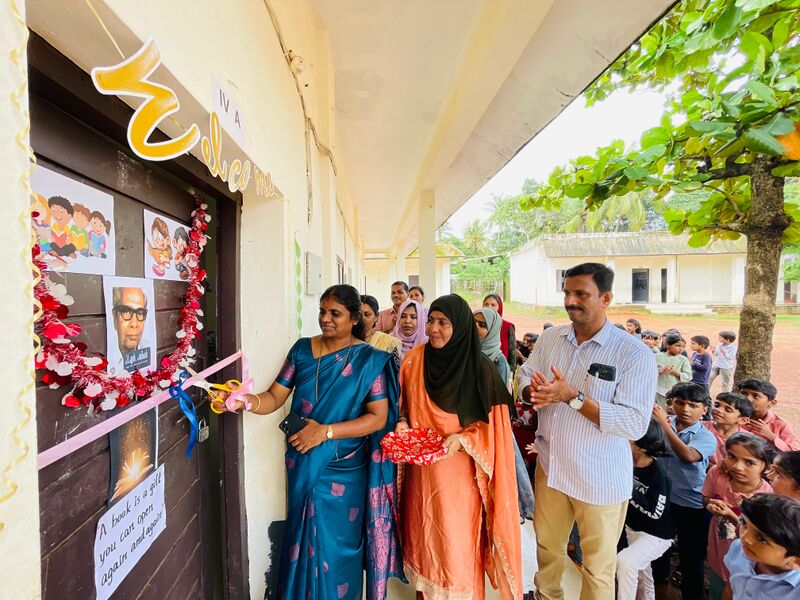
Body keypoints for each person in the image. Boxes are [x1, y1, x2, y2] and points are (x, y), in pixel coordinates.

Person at [224, 285, 402, 599]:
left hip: (345, 469)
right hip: (303, 461)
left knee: (339, 545)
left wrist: (326, 431)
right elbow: (274, 397)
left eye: (335, 313)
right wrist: (245, 401)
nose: (325, 319)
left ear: (353, 318)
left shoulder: (367, 360)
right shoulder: (302, 350)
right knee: (301, 537)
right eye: (322, 311)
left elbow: (377, 417)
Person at [517, 262, 657, 600]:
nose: (570, 301)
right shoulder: (551, 338)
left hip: (601, 478)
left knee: (597, 568)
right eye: (567, 293)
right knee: (548, 550)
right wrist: (530, 392)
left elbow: (635, 423)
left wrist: (573, 397)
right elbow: (525, 374)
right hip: (551, 468)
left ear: (606, 297)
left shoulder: (633, 353)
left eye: (581, 294)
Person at [397, 294, 521, 599]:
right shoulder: (414, 360)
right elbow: (404, 406)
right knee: (423, 541)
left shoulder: (481, 371)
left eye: (443, 323)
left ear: (461, 327)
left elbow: (495, 431)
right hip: (420, 477)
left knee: (456, 547)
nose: (433, 329)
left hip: (460, 479)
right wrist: (401, 421)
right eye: (432, 321)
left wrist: (463, 440)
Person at [653, 382, 716, 600]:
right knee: (659, 546)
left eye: (693, 405)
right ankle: (658, 587)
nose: (686, 409)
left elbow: (688, 455)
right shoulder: (664, 422)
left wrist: (663, 424)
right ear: (672, 404)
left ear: (704, 410)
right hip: (664, 499)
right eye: (680, 403)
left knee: (692, 558)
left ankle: (692, 595)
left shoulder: (706, 436)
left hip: (693, 505)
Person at [475, 307, 535, 521]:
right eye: (474, 323)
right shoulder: (466, 352)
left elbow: (495, 400)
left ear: (492, 331)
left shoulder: (498, 360)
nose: (476, 329)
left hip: (489, 421)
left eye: (482, 326)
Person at [703, 433, 775, 599]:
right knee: (717, 587)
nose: (737, 466)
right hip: (718, 553)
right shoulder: (717, 474)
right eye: (731, 457)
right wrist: (709, 504)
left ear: (766, 467)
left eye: (749, 462)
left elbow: (760, 537)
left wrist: (730, 515)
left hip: (747, 562)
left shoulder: (765, 495)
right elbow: (705, 498)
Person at [616, 419, 674, 600]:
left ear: (641, 446)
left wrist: (629, 488)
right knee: (642, 573)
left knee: (625, 562)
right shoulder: (625, 463)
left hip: (656, 536)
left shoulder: (658, 475)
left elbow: (655, 512)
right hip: (634, 529)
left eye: (629, 439)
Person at [722, 494, 800, 599]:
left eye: (762, 539)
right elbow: (731, 585)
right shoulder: (738, 549)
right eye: (745, 523)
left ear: (795, 561)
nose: (745, 538)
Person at [739, 378, 800, 451]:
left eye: (756, 396)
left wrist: (772, 437)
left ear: (771, 403)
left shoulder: (780, 425)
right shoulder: (731, 417)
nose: (747, 399)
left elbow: (794, 453)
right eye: (743, 394)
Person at [704, 392, 755, 466]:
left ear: (742, 420)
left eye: (728, 410)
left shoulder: (748, 439)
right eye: (717, 405)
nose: (718, 410)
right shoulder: (699, 428)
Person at [110, 287, 152, 375]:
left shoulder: (150, 348)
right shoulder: (108, 355)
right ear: (114, 318)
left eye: (140, 313)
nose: (134, 324)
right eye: (126, 311)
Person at [360, 295, 402, 366]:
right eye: (358, 314)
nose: (362, 319)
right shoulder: (345, 341)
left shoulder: (389, 343)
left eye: (367, 314)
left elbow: (393, 373)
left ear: (376, 316)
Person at [655, 333, 692, 409]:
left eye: (683, 346)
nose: (681, 348)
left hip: (675, 392)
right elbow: (648, 372)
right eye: (678, 345)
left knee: (672, 411)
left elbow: (688, 376)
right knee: (659, 410)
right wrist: (659, 371)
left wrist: (674, 372)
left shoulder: (683, 360)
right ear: (667, 345)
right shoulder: (657, 357)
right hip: (658, 391)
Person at [482, 293, 516, 370]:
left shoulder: (507, 326)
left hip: (501, 369)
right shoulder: (477, 325)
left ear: (499, 308)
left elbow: (512, 352)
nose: (489, 307)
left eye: (493, 305)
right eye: (486, 304)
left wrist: (511, 372)